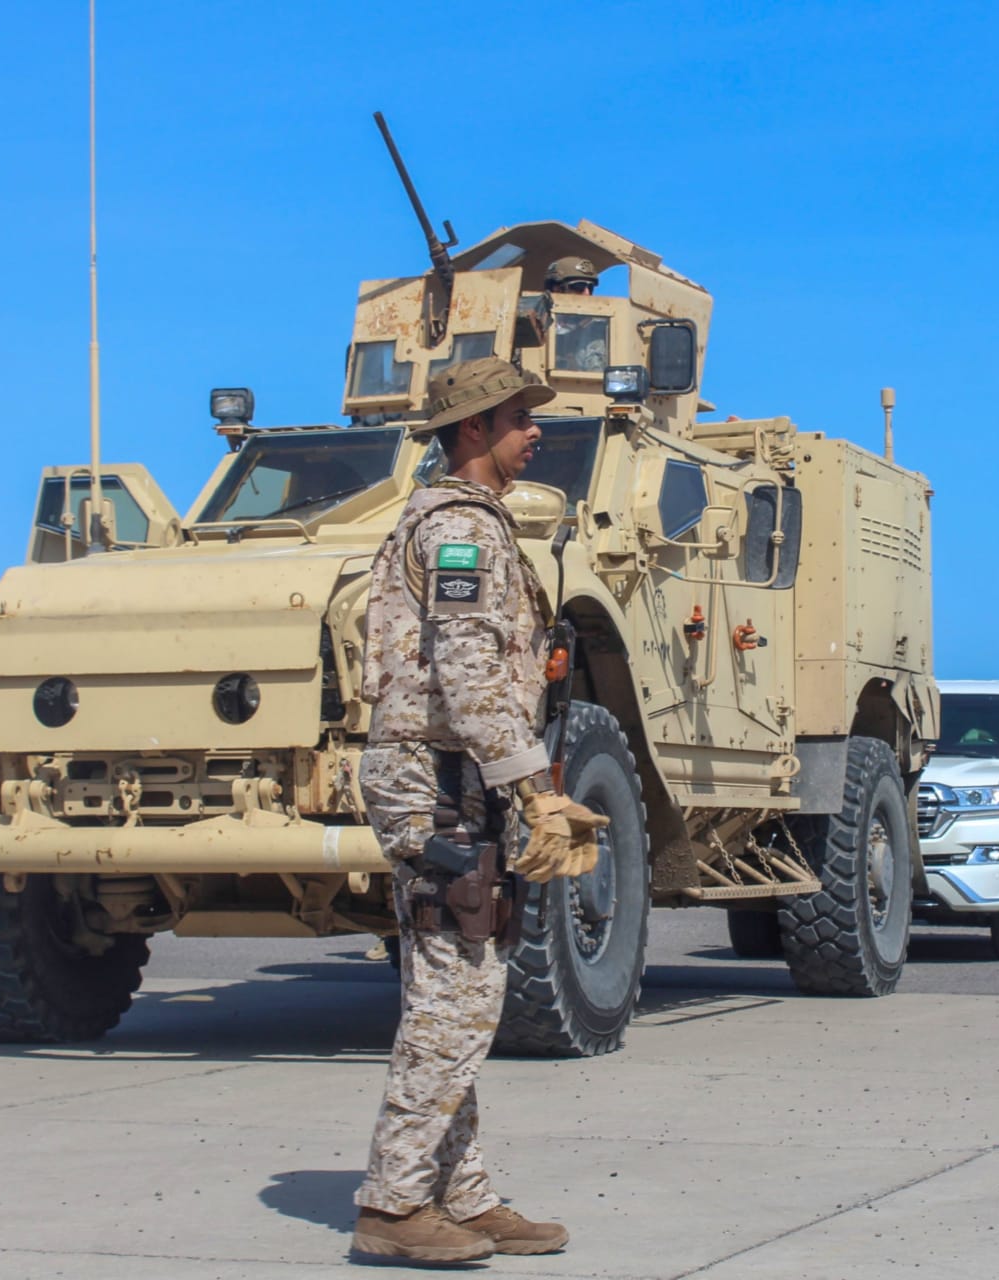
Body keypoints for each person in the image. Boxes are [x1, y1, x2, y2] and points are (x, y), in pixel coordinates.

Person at [350, 356, 608, 1264]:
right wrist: (534, 790)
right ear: (471, 431)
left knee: (466, 981)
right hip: (440, 777)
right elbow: (468, 674)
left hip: (455, 777)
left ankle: (459, 1195)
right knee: (454, 995)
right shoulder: (458, 528)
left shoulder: (468, 521)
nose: (534, 431)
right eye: (515, 417)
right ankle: (392, 1204)